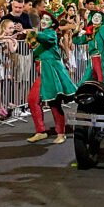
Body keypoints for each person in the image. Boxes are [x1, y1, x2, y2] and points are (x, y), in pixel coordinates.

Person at [25, 11, 77, 144]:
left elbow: (44, 38)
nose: (43, 21)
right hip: (42, 72)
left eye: (47, 19)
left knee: (54, 102)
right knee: (33, 99)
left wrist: (31, 32)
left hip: (51, 71)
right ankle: (40, 131)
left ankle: (61, 133)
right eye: (42, 18)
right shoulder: (40, 35)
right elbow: (31, 45)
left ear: (52, 23)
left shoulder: (51, 34)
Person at [74, 10, 104, 84]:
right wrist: (77, 27)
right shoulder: (90, 30)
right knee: (85, 82)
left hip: (102, 59)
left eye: (99, 17)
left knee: (103, 82)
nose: (96, 18)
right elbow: (76, 41)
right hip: (92, 60)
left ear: (102, 19)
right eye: (95, 16)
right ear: (91, 18)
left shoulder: (103, 28)